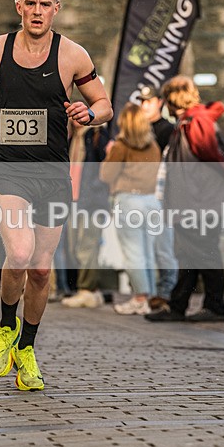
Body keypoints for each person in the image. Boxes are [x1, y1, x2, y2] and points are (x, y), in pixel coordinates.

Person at [0, 0, 112, 391]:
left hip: (52, 172)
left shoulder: (73, 55)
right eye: (31, 3)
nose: (37, 11)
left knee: (41, 269)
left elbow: (104, 104)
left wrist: (88, 113)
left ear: (56, 8)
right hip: (8, 168)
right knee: (19, 253)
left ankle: (26, 348)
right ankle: (7, 326)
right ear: (18, 5)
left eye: (45, 4)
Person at [145, 76, 224, 323]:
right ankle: (179, 305)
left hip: (199, 203)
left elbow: (212, 160)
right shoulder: (190, 122)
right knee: (189, 255)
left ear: (172, 99)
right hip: (195, 201)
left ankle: (214, 306)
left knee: (205, 253)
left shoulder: (196, 122)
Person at [100, 103, 162, 315]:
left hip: (128, 200)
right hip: (151, 200)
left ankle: (139, 298)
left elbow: (106, 175)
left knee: (133, 253)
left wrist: (108, 155)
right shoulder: (153, 145)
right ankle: (150, 297)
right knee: (147, 252)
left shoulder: (121, 146)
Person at [61, 118, 113, 309]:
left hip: (92, 201)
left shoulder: (97, 135)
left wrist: (96, 190)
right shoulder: (71, 138)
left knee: (88, 246)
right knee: (74, 247)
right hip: (72, 201)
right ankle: (89, 290)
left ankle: (87, 290)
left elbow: (106, 168)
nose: (74, 118)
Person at [136, 85, 178, 309]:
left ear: (159, 103)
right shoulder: (138, 129)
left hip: (162, 196)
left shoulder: (167, 129)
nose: (145, 106)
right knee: (144, 248)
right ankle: (150, 293)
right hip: (141, 195)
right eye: (142, 101)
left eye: (149, 101)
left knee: (163, 247)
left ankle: (166, 292)